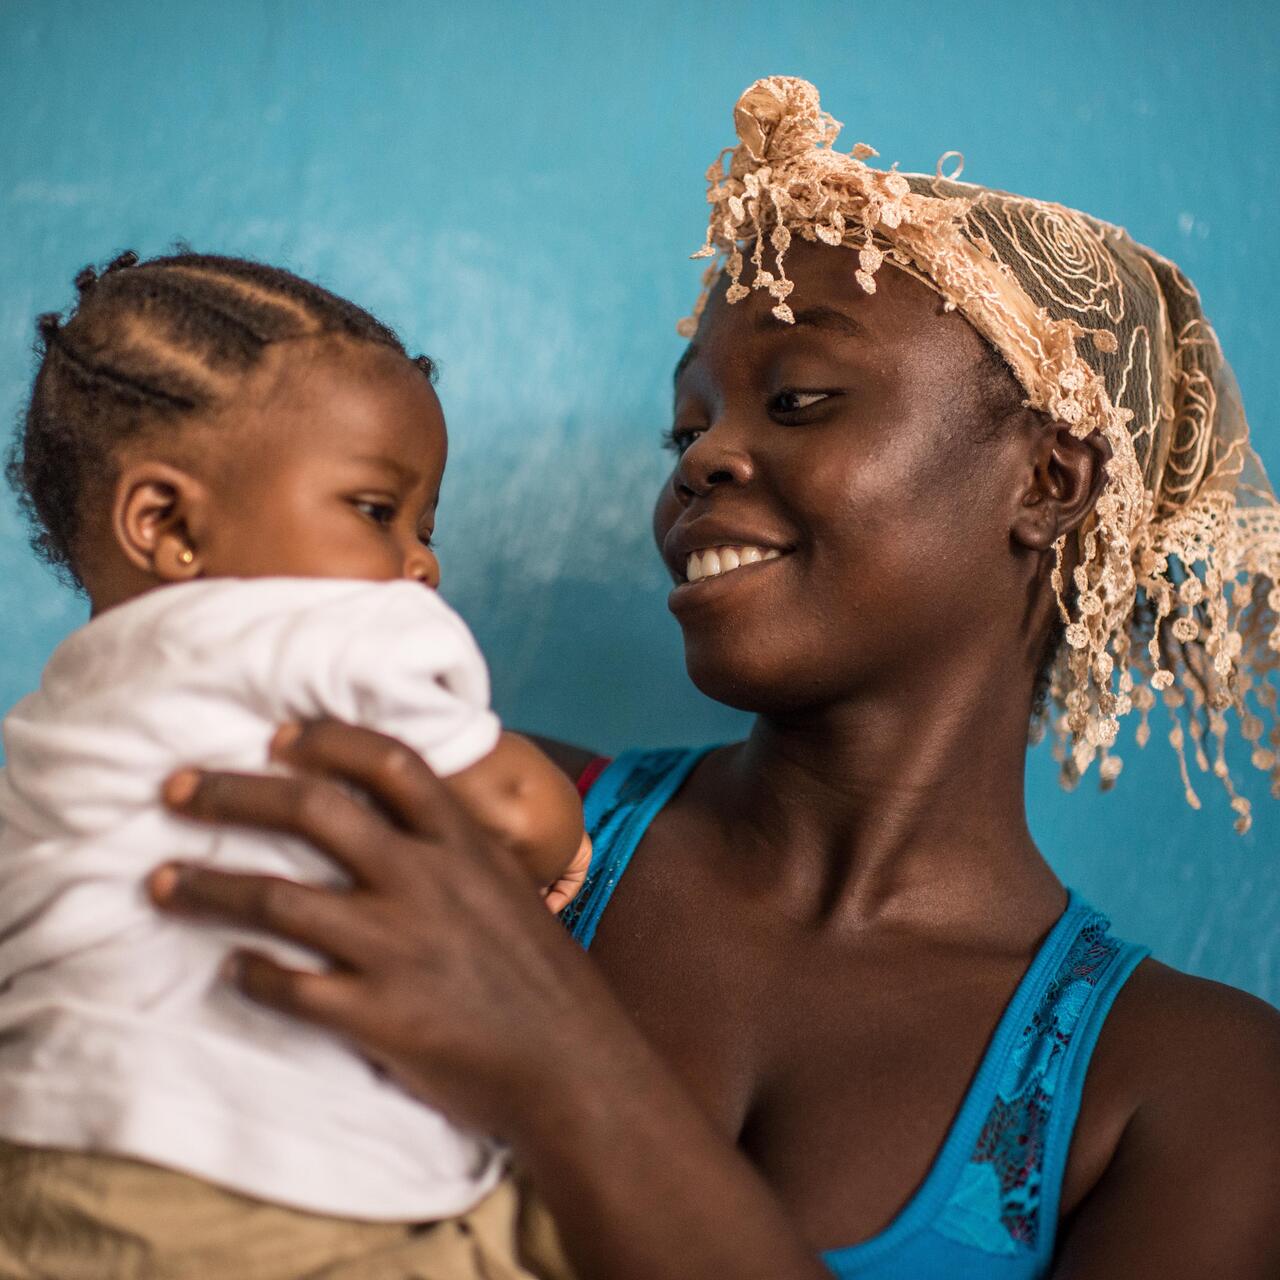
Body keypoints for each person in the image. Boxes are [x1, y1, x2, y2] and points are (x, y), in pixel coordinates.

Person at [147, 79, 1280, 1279]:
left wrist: (556, 1058)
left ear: (1048, 482)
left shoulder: (1191, 1088)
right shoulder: (473, 809)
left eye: (798, 401)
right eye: (682, 430)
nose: (703, 462)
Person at [0, 251, 587, 1280]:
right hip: (282, 1174)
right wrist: (557, 839)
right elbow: (517, 806)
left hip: (49, 1156)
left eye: (423, 525)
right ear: (168, 524)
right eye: (374, 509)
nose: (419, 562)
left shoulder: (50, 722)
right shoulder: (340, 631)